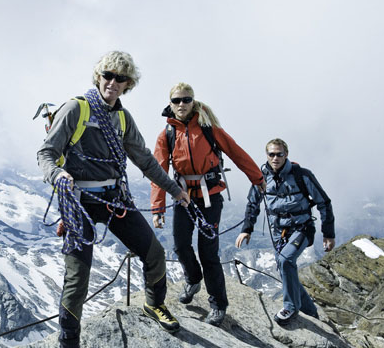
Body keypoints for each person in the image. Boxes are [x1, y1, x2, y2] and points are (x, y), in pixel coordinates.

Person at [37, 51, 190, 348]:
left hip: (114, 198)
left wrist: (174, 189)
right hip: (79, 200)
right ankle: (69, 340)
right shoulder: (75, 110)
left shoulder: (122, 118)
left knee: (154, 253)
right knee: (78, 276)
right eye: (108, 75)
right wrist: (57, 175)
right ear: (98, 76)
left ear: (127, 84)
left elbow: (144, 160)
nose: (113, 82)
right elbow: (46, 153)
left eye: (120, 78)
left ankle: (154, 304)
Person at [150, 82, 264, 326]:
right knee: (180, 246)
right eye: (177, 100)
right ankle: (193, 278)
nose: (182, 104)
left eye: (186, 99)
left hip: (210, 198)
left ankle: (218, 304)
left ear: (193, 102)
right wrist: (157, 208)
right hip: (183, 199)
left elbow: (236, 152)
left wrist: (257, 179)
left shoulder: (208, 129)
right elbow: (158, 171)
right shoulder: (167, 134)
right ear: (170, 104)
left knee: (208, 252)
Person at [236, 138, 335, 325]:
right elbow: (252, 204)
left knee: (285, 260)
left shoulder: (302, 175)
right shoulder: (261, 176)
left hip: (302, 228)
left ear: (286, 154)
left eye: (279, 154)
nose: (275, 158)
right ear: (267, 155)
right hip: (277, 232)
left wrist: (328, 234)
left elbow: (324, 203)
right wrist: (246, 230)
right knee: (284, 268)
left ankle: (290, 307)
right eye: (271, 154)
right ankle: (311, 312)